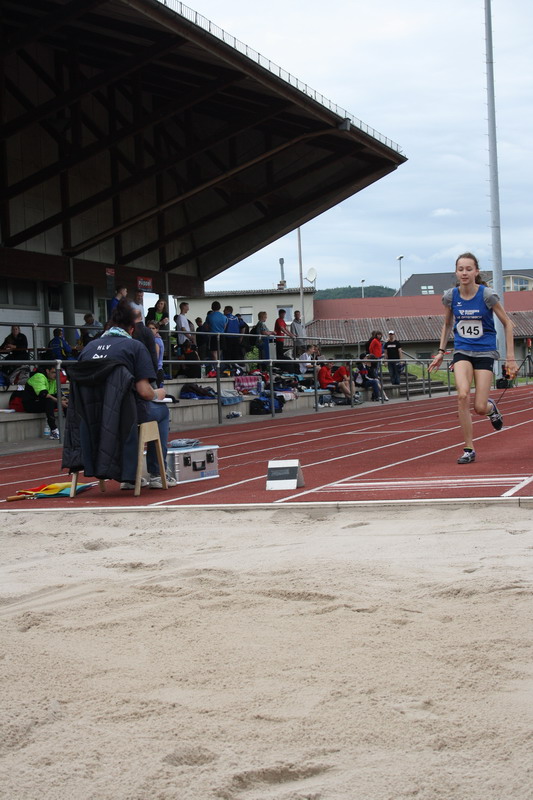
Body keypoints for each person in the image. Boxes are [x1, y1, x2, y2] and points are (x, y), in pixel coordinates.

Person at [77, 300, 177, 489]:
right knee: (161, 412)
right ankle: (156, 473)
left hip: (89, 415)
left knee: (130, 413)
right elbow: (144, 392)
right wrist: (158, 393)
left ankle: (127, 475)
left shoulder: (88, 348)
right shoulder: (134, 347)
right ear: (132, 329)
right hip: (124, 414)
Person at [429, 252, 517, 465]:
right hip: (462, 351)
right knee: (462, 395)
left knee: (479, 407)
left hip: (485, 352)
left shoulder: (487, 295)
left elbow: (508, 323)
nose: (464, 273)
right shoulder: (451, 296)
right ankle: (469, 448)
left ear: (476, 272)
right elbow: (447, 324)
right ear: (456, 272)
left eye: (469, 269)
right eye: (461, 269)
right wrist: (441, 351)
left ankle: (490, 408)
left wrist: (510, 358)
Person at [22, 365, 67, 439]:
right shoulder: (39, 376)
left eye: (57, 373)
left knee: (66, 402)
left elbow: (58, 394)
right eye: (53, 372)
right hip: (31, 404)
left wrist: (64, 399)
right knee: (49, 401)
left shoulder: (53, 379)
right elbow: (44, 394)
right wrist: (60, 402)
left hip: (43, 402)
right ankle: (54, 430)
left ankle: (71, 428)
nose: (56, 375)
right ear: (47, 371)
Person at [147, 321, 165, 387]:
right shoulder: (157, 339)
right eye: (149, 328)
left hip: (156, 371)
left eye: (153, 328)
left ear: (157, 329)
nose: (151, 330)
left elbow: (155, 358)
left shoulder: (155, 340)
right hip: (158, 370)